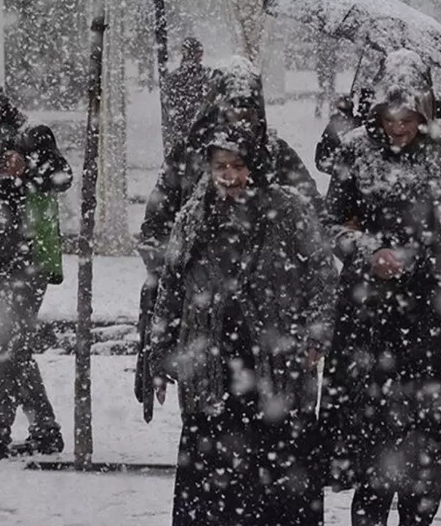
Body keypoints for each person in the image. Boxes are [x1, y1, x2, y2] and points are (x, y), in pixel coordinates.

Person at [320, 49, 441, 526]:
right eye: (389, 116)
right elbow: (331, 223)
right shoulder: (356, 149)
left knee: (429, 454)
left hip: (436, 322)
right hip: (369, 321)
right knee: (371, 455)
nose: (398, 126)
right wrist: (366, 250)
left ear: (425, 107)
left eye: (408, 116)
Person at [146, 122, 337, 526]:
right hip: (211, 365)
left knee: (279, 482)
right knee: (213, 488)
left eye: (237, 165)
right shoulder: (194, 215)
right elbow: (171, 286)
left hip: (277, 367)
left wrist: (317, 332)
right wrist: (160, 355)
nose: (229, 176)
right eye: (220, 166)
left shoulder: (288, 210)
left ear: (257, 166)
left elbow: (322, 272)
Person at [134, 56, 321, 414]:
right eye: (232, 108)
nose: (241, 118)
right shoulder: (188, 157)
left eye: (249, 109)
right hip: (205, 319)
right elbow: (154, 230)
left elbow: (315, 224)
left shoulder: (278, 156)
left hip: (271, 318)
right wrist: (188, 268)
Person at [0, 79, 72, 460]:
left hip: (29, 258)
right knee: (9, 345)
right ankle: (44, 429)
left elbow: (61, 176)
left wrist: (26, 168)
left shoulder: (31, 133)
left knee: (9, 344)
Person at [163, 37, 212, 154]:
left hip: (188, 132)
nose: (200, 55)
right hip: (197, 132)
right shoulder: (207, 75)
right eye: (197, 52)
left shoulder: (173, 78)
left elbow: (169, 108)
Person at [315, 37, 340, 119]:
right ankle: (327, 108)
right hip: (326, 68)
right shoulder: (332, 42)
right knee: (328, 89)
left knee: (325, 88)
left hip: (325, 68)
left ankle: (321, 108)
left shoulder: (322, 43)